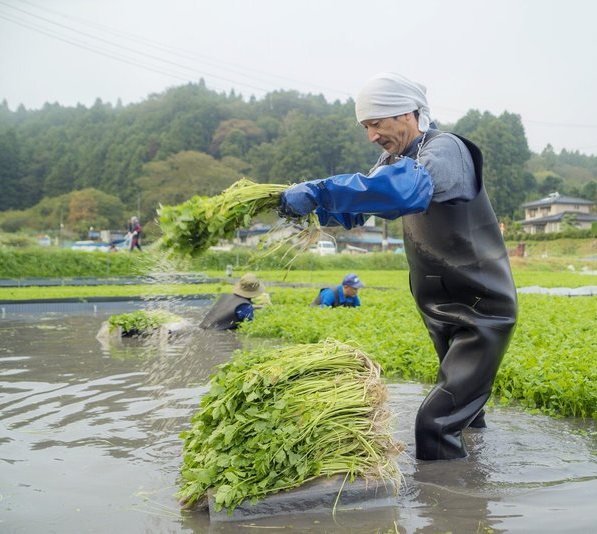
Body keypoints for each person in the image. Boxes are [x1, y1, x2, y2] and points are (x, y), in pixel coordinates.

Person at [278, 73, 518, 461]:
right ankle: (478, 468)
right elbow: (363, 206)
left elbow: (402, 191)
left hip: (480, 312)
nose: (371, 136)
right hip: (440, 310)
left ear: (407, 114)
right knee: (466, 413)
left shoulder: (445, 151)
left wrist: (320, 189)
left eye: (376, 124)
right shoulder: (394, 160)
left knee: (434, 424)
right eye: (366, 127)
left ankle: (450, 507)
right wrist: (309, 208)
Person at [198, 273, 265, 330]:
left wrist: (257, 307)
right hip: (216, 332)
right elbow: (249, 324)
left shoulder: (225, 297)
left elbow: (233, 309)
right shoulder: (245, 307)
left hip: (203, 327)